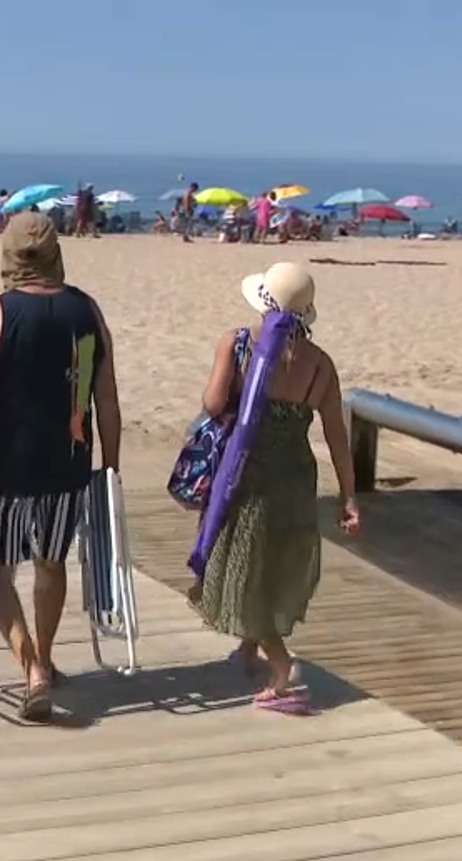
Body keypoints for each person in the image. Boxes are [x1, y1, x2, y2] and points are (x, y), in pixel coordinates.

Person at [0, 211, 122, 722]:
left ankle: (32, 669)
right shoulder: (87, 312)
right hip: (68, 468)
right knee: (51, 564)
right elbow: (106, 400)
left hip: (7, 472)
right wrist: (109, 470)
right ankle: (43, 657)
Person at [187, 262, 360, 715]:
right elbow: (337, 436)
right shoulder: (320, 365)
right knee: (272, 562)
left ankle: (280, 664)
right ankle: (249, 647)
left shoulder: (240, 346)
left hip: (247, 475)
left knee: (244, 569)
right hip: (296, 476)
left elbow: (212, 403)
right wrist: (349, 495)